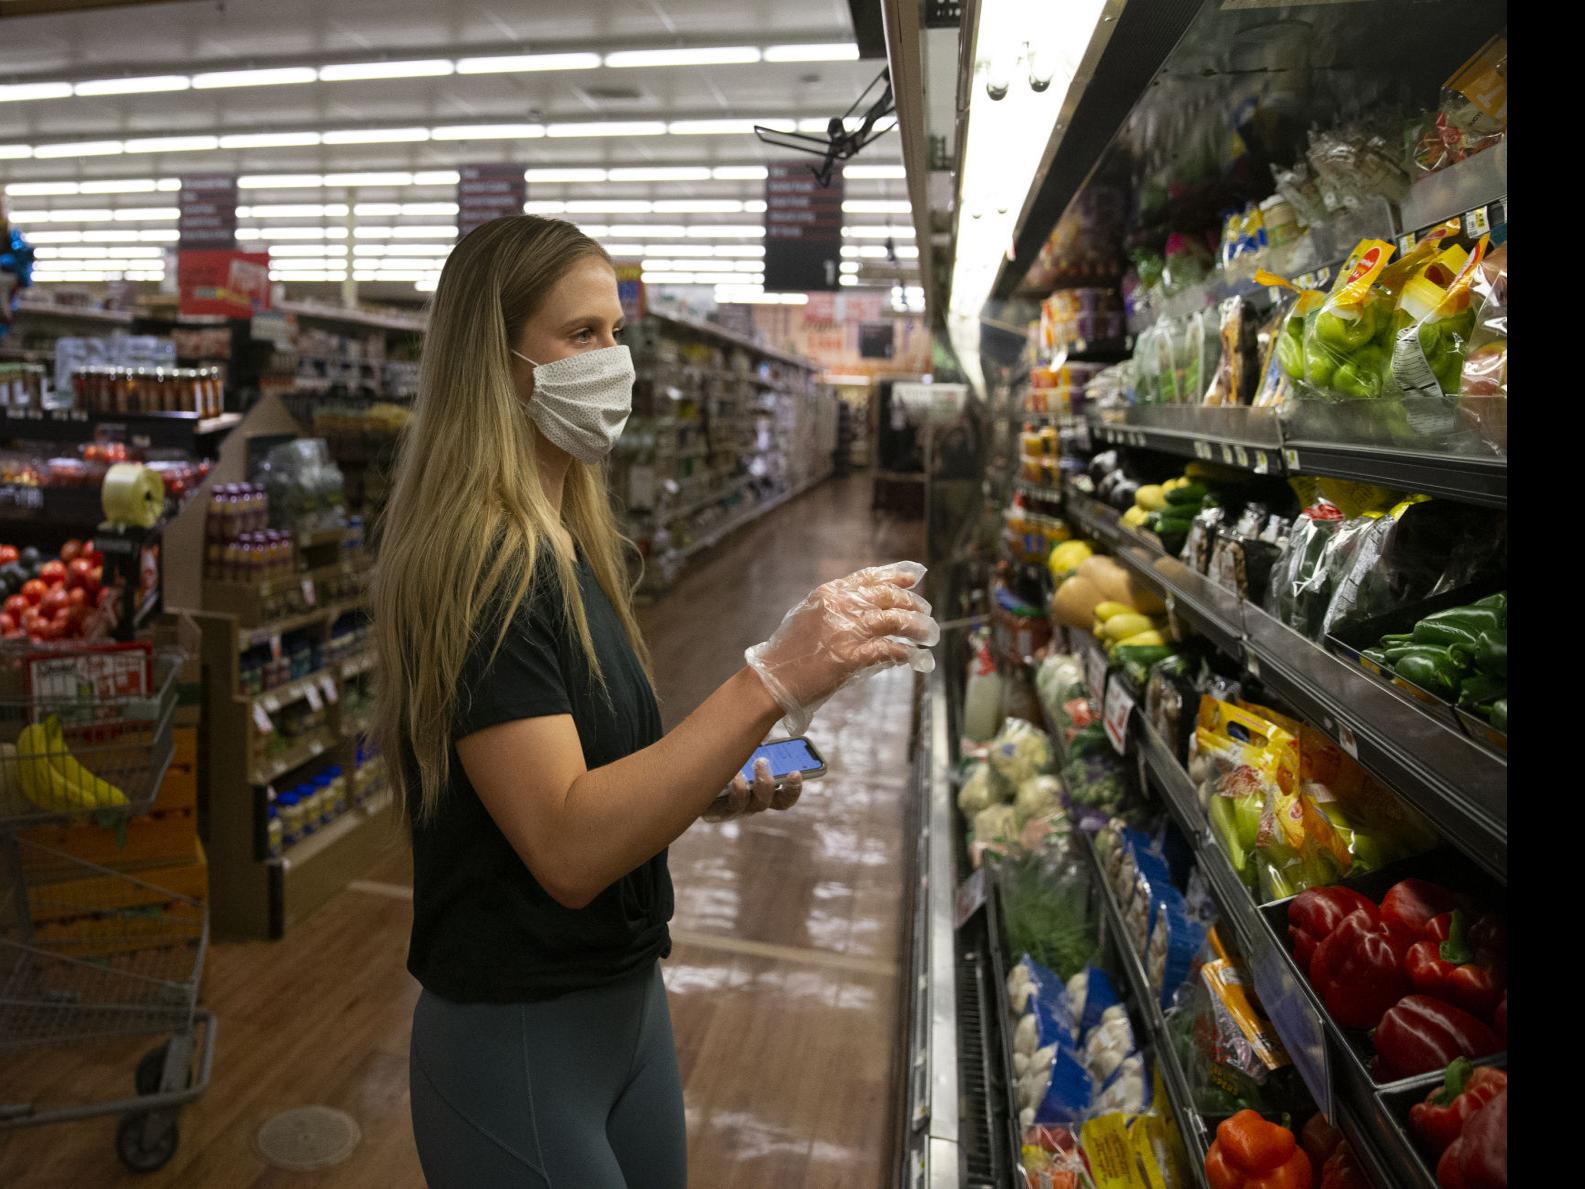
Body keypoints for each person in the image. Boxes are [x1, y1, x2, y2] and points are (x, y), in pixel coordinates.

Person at [371, 215, 938, 1188]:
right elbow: (568, 847)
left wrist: (711, 779)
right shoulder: (483, 565)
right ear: (495, 363)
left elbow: (592, 781)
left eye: (617, 333)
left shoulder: (568, 541)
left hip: (624, 1005)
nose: (612, 361)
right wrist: (769, 681)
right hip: (517, 1034)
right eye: (580, 335)